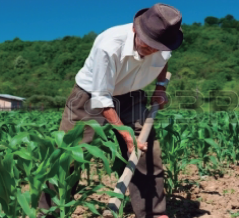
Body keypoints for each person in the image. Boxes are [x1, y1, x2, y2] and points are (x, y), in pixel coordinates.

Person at [38, 3, 183, 218]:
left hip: (132, 95)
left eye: (157, 46)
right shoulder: (109, 44)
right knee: (69, 153)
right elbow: (102, 98)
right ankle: (49, 211)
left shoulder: (164, 43)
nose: (152, 49)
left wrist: (160, 87)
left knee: (146, 150)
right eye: (148, 44)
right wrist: (125, 134)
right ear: (135, 29)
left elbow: (163, 61)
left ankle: (152, 212)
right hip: (90, 96)